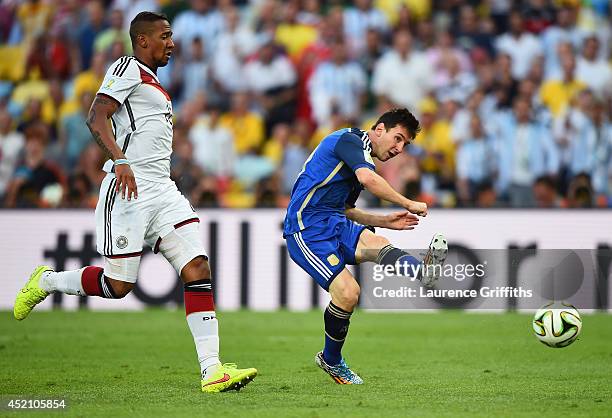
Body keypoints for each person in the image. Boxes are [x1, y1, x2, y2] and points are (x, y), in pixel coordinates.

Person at [13, 11, 256, 394]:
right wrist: (120, 160)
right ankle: (47, 281)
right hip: (128, 190)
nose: (171, 43)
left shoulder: (154, 82)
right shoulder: (127, 67)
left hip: (163, 190)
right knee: (118, 285)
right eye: (165, 35)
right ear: (142, 40)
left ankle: (212, 370)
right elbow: (97, 116)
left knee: (197, 266)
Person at [282, 108, 448, 384]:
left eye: (404, 144)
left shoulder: (359, 157)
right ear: (379, 129)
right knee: (349, 294)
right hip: (307, 228)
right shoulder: (349, 140)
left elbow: (347, 209)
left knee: (377, 241)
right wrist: (408, 203)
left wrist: (383, 221)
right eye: (397, 139)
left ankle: (423, 273)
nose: (399, 148)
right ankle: (331, 360)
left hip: (335, 221)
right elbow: (368, 180)